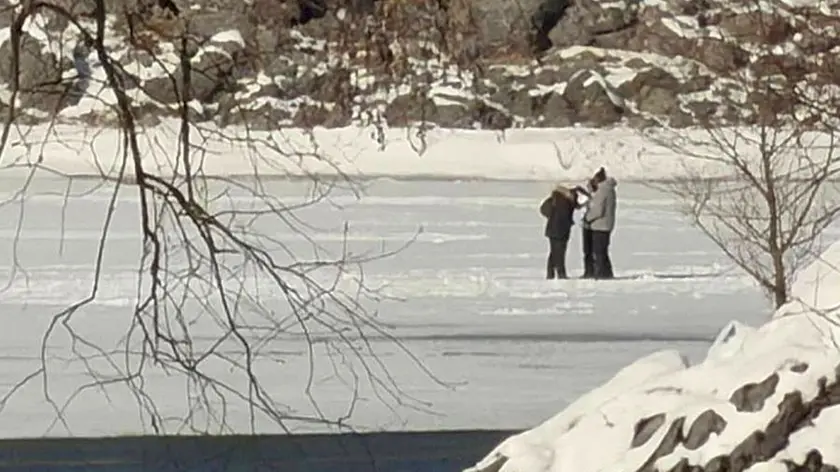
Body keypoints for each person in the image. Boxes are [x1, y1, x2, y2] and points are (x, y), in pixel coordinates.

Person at [540, 184, 581, 279]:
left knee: (554, 252)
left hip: (552, 229)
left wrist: (552, 216)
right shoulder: (566, 201)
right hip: (561, 230)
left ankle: (550, 273)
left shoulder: (554, 198)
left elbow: (543, 209)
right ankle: (561, 273)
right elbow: (567, 214)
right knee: (560, 252)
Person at [583, 167, 617, 279]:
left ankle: (602, 274)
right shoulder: (608, 189)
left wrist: (587, 218)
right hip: (606, 224)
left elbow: (597, 209)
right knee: (603, 251)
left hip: (600, 225)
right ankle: (607, 273)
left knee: (599, 252)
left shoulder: (602, 191)